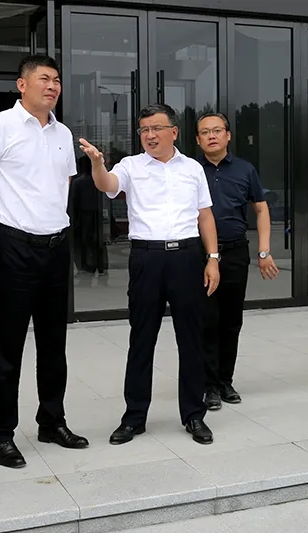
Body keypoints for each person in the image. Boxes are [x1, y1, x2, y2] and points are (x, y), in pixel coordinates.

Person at [0, 55, 88, 470]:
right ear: (21, 84)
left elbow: (62, 186)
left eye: (57, 80)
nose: (52, 86)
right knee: (7, 347)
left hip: (56, 247)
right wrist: (2, 234)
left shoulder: (63, 133)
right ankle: (0, 434)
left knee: (54, 345)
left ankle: (52, 421)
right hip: (14, 248)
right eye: (43, 79)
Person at [79, 103, 220, 445]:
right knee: (142, 339)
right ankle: (134, 417)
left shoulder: (192, 168)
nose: (150, 135)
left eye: (156, 128)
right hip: (147, 259)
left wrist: (213, 258)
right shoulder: (131, 166)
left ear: (174, 132)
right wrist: (97, 163)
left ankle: (194, 415)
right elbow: (108, 184)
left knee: (191, 340)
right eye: (144, 130)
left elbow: (204, 215)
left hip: (187, 257)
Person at [194, 112, 279, 410]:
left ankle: (224, 381)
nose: (212, 136)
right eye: (205, 132)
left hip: (234, 252)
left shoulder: (245, 170)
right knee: (206, 320)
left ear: (228, 135)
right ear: (198, 139)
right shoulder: (191, 170)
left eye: (217, 130)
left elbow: (261, 210)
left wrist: (264, 251)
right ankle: (208, 385)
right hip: (200, 255)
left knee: (231, 320)